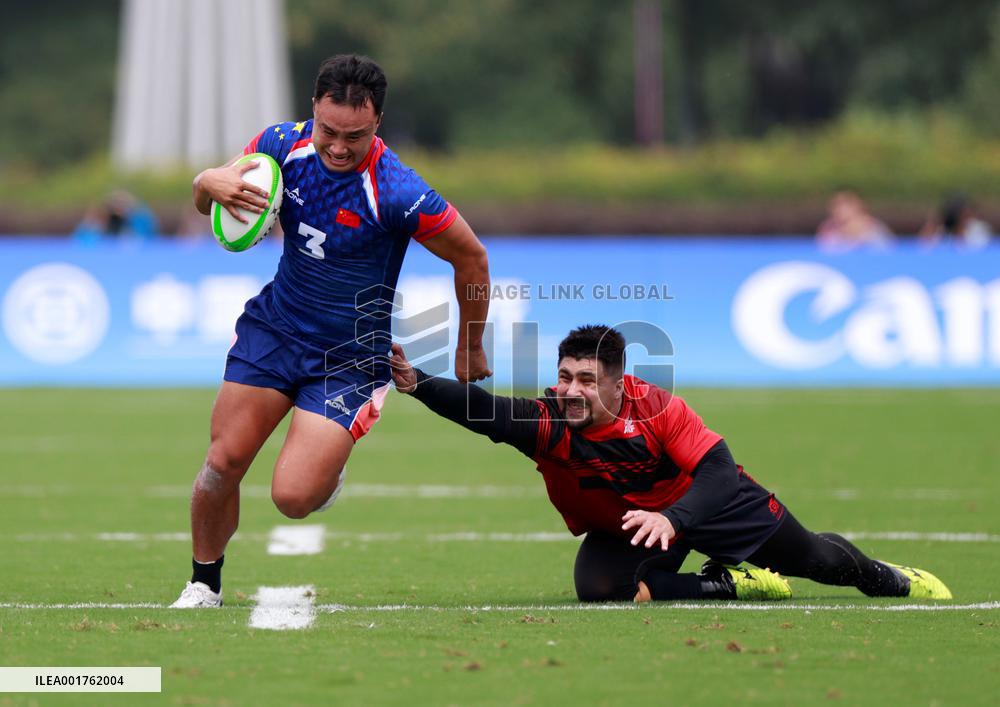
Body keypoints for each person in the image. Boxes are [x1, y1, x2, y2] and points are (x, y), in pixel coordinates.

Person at [171, 54, 492, 608]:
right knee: (222, 463)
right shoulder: (278, 145)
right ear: (312, 111)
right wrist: (206, 181)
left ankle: (326, 470)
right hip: (274, 330)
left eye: (356, 136)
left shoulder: (396, 191)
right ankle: (203, 582)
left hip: (349, 356)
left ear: (378, 124)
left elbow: (472, 258)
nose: (339, 147)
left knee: (294, 498)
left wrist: (469, 345)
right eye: (328, 131)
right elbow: (214, 204)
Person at [389, 324, 952, 603]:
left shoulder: (658, 410)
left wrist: (676, 519)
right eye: (565, 377)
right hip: (636, 524)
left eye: (587, 380)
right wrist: (418, 385)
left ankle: (891, 579)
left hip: (706, 506)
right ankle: (731, 584)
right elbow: (486, 411)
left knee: (817, 560)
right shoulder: (549, 421)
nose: (571, 391)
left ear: (618, 382)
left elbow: (720, 473)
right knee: (600, 589)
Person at [816, 190, 893, 252]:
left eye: (846, 204)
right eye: (836, 204)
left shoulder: (874, 227)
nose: (840, 209)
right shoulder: (828, 229)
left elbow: (887, 252)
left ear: (859, 205)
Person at [72, 190, 158, 243]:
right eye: (115, 204)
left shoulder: (137, 222)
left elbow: (149, 236)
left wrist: (135, 212)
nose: (118, 209)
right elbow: (79, 242)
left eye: (123, 203)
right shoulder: (97, 225)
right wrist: (91, 222)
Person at [919, 194, 992, 249]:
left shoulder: (978, 229)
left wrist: (961, 235)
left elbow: (983, 250)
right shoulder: (942, 231)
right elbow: (924, 248)